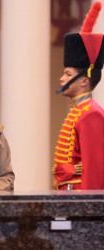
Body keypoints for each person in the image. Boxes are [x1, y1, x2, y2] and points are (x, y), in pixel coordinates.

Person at [53, 1, 104, 190]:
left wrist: (88, 208)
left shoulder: (91, 114)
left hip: (81, 198)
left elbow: (94, 170)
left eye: (67, 74)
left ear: (84, 80)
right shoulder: (80, 111)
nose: (61, 79)